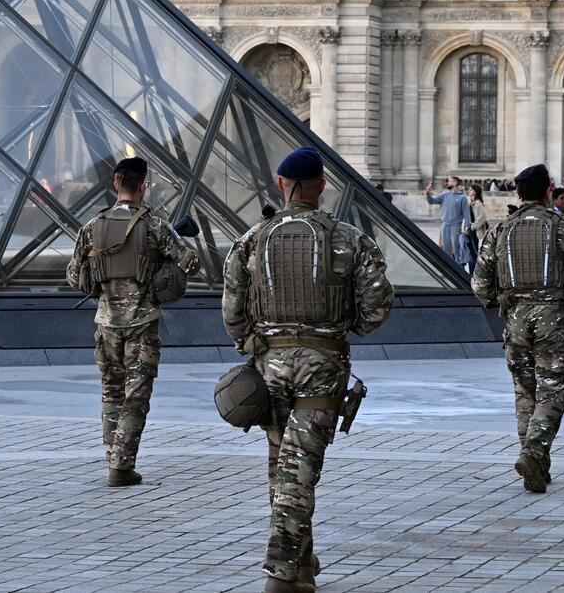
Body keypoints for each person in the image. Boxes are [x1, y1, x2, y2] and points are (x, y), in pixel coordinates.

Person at [222, 148, 394, 593]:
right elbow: (377, 306)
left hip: (270, 367)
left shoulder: (251, 240)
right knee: (299, 469)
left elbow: (232, 311)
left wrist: (255, 346)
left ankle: (302, 564)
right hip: (323, 366)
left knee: (284, 466)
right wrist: (341, 328)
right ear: (321, 186)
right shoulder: (349, 238)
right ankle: (280, 573)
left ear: (281, 185)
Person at [472, 164, 564, 494]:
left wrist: (499, 300)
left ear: (517, 193)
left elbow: (479, 284)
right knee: (553, 387)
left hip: (515, 319)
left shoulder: (499, 231)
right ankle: (534, 452)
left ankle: (535, 461)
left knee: (524, 390)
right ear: (548, 190)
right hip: (553, 317)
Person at [66, 158, 200, 487]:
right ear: (143, 186)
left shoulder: (92, 227)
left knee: (111, 392)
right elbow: (192, 263)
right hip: (142, 323)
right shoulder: (155, 225)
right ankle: (122, 466)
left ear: (116, 184)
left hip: (106, 323)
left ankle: (114, 457)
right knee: (135, 396)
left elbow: (73, 275)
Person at [425, 176, 470, 261]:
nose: (447, 183)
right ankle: (448, 270)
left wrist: (467, 227)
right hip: (444, 225)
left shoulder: (462, 198)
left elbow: (466, 214)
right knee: (445, 249)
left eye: (449, 181)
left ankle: (459, 268)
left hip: (456, 226)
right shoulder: (444, 195)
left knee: (457, 249)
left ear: (455, 183)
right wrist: (428, 192)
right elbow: (431, 201)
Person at [462, 184, 488, 275]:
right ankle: (472, 273)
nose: (469, 191)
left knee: (474, 254)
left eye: (471, 190)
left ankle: (473, 274)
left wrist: (471, 227)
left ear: (475, 192)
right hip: (471, 232)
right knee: (471, 253)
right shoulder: (472, 203)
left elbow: (482, 218)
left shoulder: (478, 203)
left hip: (475, 233)